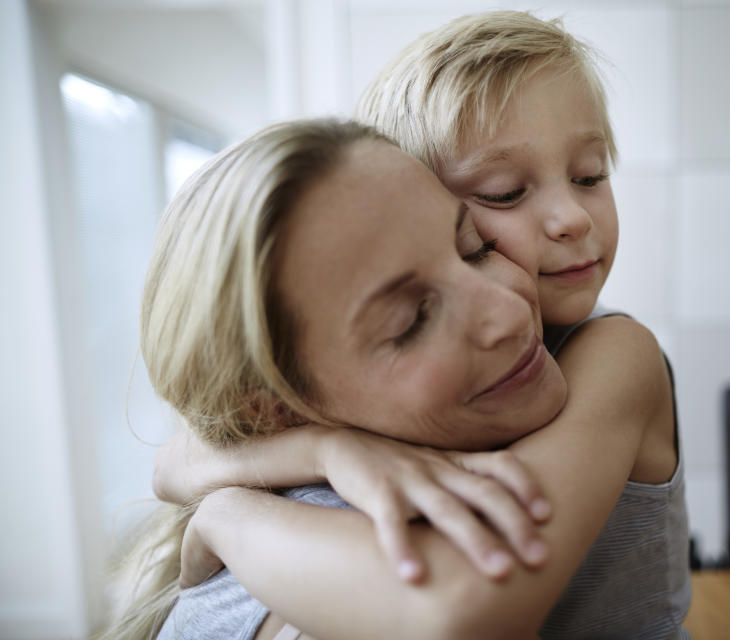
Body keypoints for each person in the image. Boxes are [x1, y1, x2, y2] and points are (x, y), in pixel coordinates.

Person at [154, 10, 691, 640]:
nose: (573, 216)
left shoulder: (611, 352)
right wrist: (324, 449)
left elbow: (469, 606)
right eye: (503, 192)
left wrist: (227, 515)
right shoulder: (373, 410)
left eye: (592, 176)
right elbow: (177, 461)